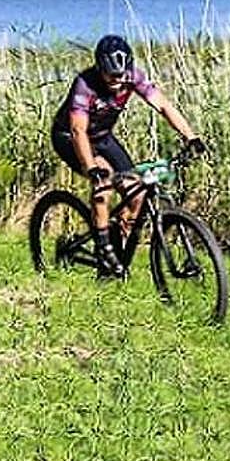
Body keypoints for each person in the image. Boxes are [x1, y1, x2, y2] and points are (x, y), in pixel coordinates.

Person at [50, 35, 205, 278]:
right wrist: (91, 167)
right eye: (112, 76)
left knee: (137, 194)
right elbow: (78, 129)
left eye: (122, 75)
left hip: (102, 136)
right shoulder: (85, 85)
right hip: (69, 138)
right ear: (100, 69)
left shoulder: (132, 76)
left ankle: (115, 250)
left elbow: (163, 106)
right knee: (105, 183)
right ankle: (104, 250)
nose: (118, 81)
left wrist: (191, 137)